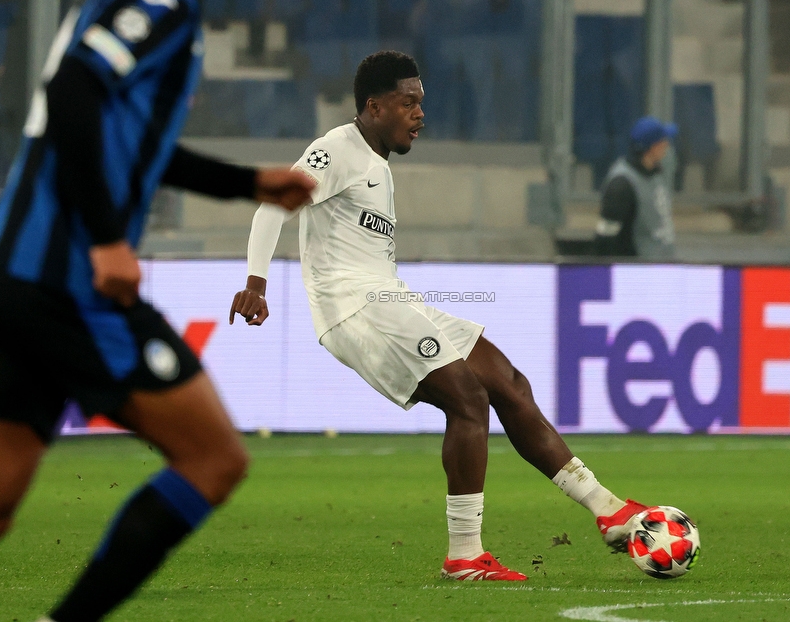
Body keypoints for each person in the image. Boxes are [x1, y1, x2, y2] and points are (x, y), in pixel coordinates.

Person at [0, 0, 314, 622]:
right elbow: (72, 89)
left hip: (3, 276)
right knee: (214, 458)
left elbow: (130, 142)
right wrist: (108, 240)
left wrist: (247, 183)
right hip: (62, 283)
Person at [230, 51, 652, 581]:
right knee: (468, 398)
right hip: (355, 308)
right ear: (374, 106)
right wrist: (256, 283)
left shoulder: (377, 164)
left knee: (508, 382)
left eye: (421, 103)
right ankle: (465, 555)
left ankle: (606, 509)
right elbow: (273, 204)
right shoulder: (334, 150)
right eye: (408, 103)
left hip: (390, 300)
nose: (419, 114)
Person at [594, 116, 678, 260]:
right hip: (637, 270)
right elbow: (606, 238)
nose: (667, 146)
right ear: (653, 147)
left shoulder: (656, 174)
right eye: (664, 141)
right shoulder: (621, 185)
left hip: (661, 266)